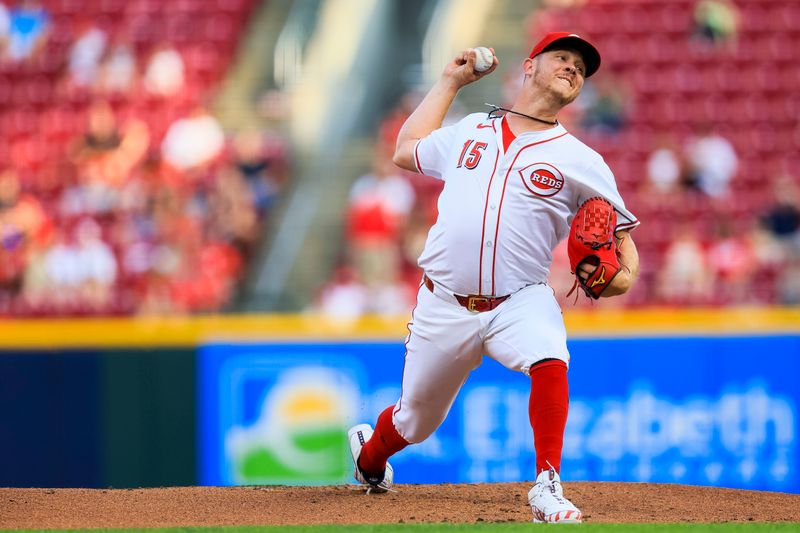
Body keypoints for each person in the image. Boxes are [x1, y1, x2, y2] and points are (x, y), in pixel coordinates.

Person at [347, 32, 640, 523]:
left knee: (551, 357)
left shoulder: (584, 161)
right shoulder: (471, 130)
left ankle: (547, 485)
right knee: (413, 422)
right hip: (444, 303)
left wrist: (619, 280)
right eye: (562, 58)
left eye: (581, 68)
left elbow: (624, 244)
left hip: (519, 299)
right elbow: (405, 150)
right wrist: (449, 81)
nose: (573, 69)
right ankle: (369, 457)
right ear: (529, 67)